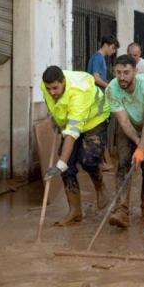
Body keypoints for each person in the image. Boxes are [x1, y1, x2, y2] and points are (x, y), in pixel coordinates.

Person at [41, 66, 110, 225]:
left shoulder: (79, 93)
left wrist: (59, 165)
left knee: (88, 159)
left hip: (95, 119)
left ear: (63, 82)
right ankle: (75, 210)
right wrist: (57, 120)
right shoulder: (45, 85)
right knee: (67, 165)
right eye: (48, 88)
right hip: (72, 118)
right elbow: (50, 102)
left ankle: (100, 186)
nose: (52, 92)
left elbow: (72, 135)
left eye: (55, 88)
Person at [105, 55, 144, 228]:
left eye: (126, 72)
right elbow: (123, 122)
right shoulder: (111, 89)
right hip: (129, 127)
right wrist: (138, 142)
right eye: (118, 73)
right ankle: (121, 210)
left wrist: (142, 147)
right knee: (123, 163)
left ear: (135, 72)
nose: (122, 77)